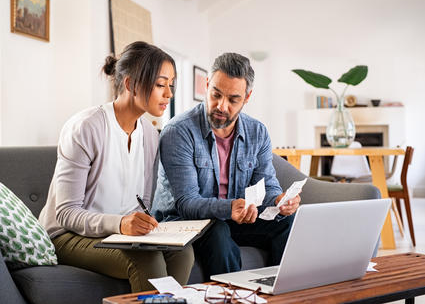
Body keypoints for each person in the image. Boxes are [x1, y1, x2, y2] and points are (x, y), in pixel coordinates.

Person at [39, 41, 194, 292]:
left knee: (183, 252)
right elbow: (66, 213)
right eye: (160, 84)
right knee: (148, 259)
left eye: (171, 85)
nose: (169, 94)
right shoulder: (86, 128)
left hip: (119, 235)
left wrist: (144, 226)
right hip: (68, 236)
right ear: (131, 84)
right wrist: (121, 224)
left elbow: (140, 202)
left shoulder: (150, 134)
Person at [152, 52, 300, 279]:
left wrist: (279, 200)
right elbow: (186, 203)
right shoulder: (179, 131)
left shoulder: (257, 132)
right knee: (219, 232)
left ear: (247, 97)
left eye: (233, 100)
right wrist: (230, 208)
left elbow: (267, 184)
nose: (221, 106)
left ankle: (277, 294)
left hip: (233, 217)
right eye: (216, 95)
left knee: (287, 222)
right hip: (184, 222)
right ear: (207, 85)